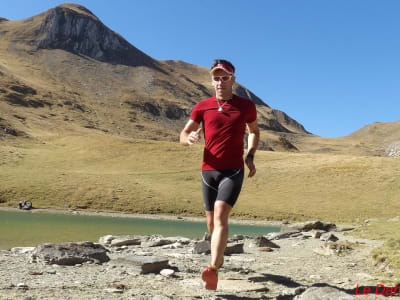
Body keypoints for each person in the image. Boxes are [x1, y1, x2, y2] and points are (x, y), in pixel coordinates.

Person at [180, 59, 260, 290]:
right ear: (211, 80)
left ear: (233, 80)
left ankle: (212, 268)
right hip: (208, 171)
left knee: (221, 214)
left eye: (225, 77)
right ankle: (220, 255)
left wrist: (250, 155)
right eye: (216, 77)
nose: (220, 82)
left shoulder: (246, 106)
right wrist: (190, 139)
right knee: (211, 223)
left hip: (233, 170)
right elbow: (184, 134)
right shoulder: (202, 106)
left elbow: (253, 131)